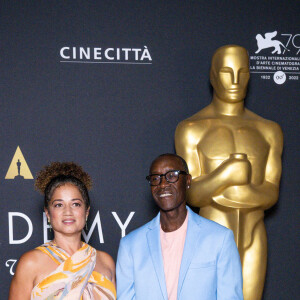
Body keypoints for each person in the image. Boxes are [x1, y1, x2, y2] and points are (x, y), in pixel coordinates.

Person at [175, 45, 283, 300]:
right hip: (211, 234)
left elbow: (272, 192)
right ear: (212, 76)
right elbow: (191, 195)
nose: (235, 80)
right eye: (226, 72)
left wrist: (229, 189)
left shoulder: (269, 130)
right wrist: (226, 175)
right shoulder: (191, 129)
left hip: (254, 234)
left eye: (242, 72)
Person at [116, 153, 243, 300]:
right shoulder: (130, 245)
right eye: (155, 178)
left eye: (171, 176)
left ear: (187, 181)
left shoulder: (220, 239)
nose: (163, 184)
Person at [9, 162, 116, 300]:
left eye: (75, 204)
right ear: (47, 213)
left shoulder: (105, 261)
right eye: (59, 205)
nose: (68, 212)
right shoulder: (31, 263)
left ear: (87, 212)